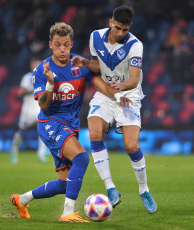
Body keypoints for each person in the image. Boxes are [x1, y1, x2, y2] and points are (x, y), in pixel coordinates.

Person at [10, 22, 131, 222]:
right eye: (57, 44)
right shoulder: (42, 70)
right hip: (50, 123)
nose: (62, 49)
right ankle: (67, 212)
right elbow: (45, 106)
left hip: (70, 126)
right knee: (82, 158)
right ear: (50, 45)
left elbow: (103, 86)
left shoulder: (79, 66)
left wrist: (118, 98)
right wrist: (50, 83)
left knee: (65, 184)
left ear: (71, 44)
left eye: (66, 44)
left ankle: (22, 200)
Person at [71, 6, 157, 214]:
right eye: (117, 28)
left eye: (124, 30)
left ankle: (144, 190)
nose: (120, 33)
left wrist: (121, 88)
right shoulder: (95, 37)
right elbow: (97, 67)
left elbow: (135, 79)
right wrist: (84, 62)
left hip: (128, 96)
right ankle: (110, 188)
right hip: (106, 95)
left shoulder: (135, 45)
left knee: (131, 145)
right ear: (111, 22)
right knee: (94, 133)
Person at [10, 58, 48, 164]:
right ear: (31, 66)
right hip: (27, 110)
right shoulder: (27, 77)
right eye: (35, 64)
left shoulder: (45, 76)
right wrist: (32, 89)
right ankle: (14, 152)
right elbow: (20, 92)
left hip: (39, 108)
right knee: (22, 131)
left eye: (38, 64)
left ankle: (41, 154)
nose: (37, 66)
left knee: (43, 129)